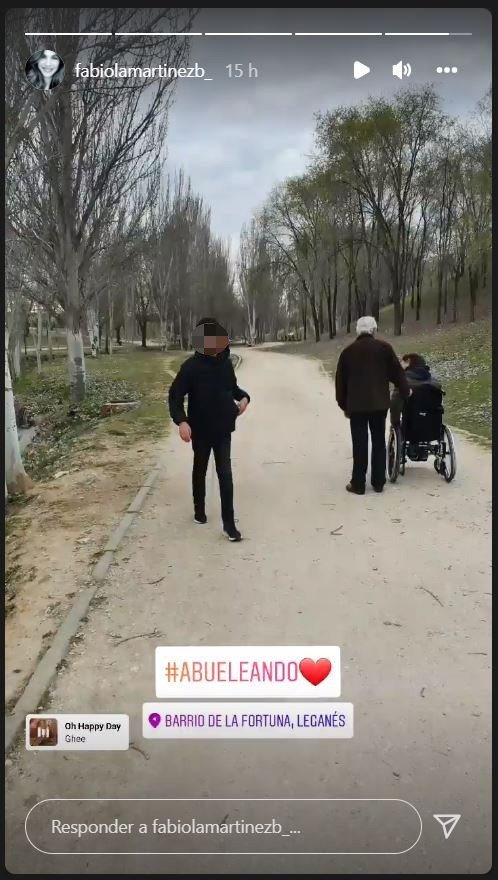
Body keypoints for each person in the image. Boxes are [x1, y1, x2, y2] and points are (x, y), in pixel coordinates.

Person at [168, 317, 250, 541]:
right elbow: (175, 396)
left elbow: (232, 389)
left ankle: (229, 524)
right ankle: (199, 510)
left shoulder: (226, 363)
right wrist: (182, 421)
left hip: (223, 427)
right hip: (201, 429)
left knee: (225, 473)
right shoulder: (191, 367)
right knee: (200, 468)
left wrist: (244, 398)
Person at [335, 316, 410, 495]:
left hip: (357, 407)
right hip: (379, 405)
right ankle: (378, 482)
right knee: (378, 441)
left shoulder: (348, 352)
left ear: (358, 331)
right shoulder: (384, 349)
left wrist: (344, 405)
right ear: (374, 330)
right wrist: (406, 391)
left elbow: (340, 383)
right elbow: (398, 374)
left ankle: (358, 484)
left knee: (359, 443)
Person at [390, 353, 442, 427]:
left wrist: (395, 423)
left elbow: (395, 406)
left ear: (408, 362)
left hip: (410, 428)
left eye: (401, 362)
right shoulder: (435, 383)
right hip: (433, 427)